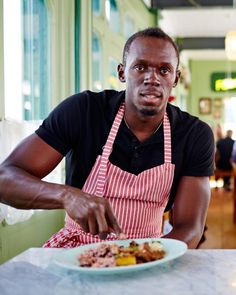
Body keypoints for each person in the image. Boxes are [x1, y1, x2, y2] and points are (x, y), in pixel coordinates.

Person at [0, 27, 215, 249]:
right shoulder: (83, 111)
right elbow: (5, 179)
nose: (152, 78)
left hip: (151, 253)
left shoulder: (194, 134)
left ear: (176, 78)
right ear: (122, 73)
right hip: (77, 253)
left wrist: (146, 259)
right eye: (140, 67)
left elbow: (190, 227)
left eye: (164, 70)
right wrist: (67, 196)